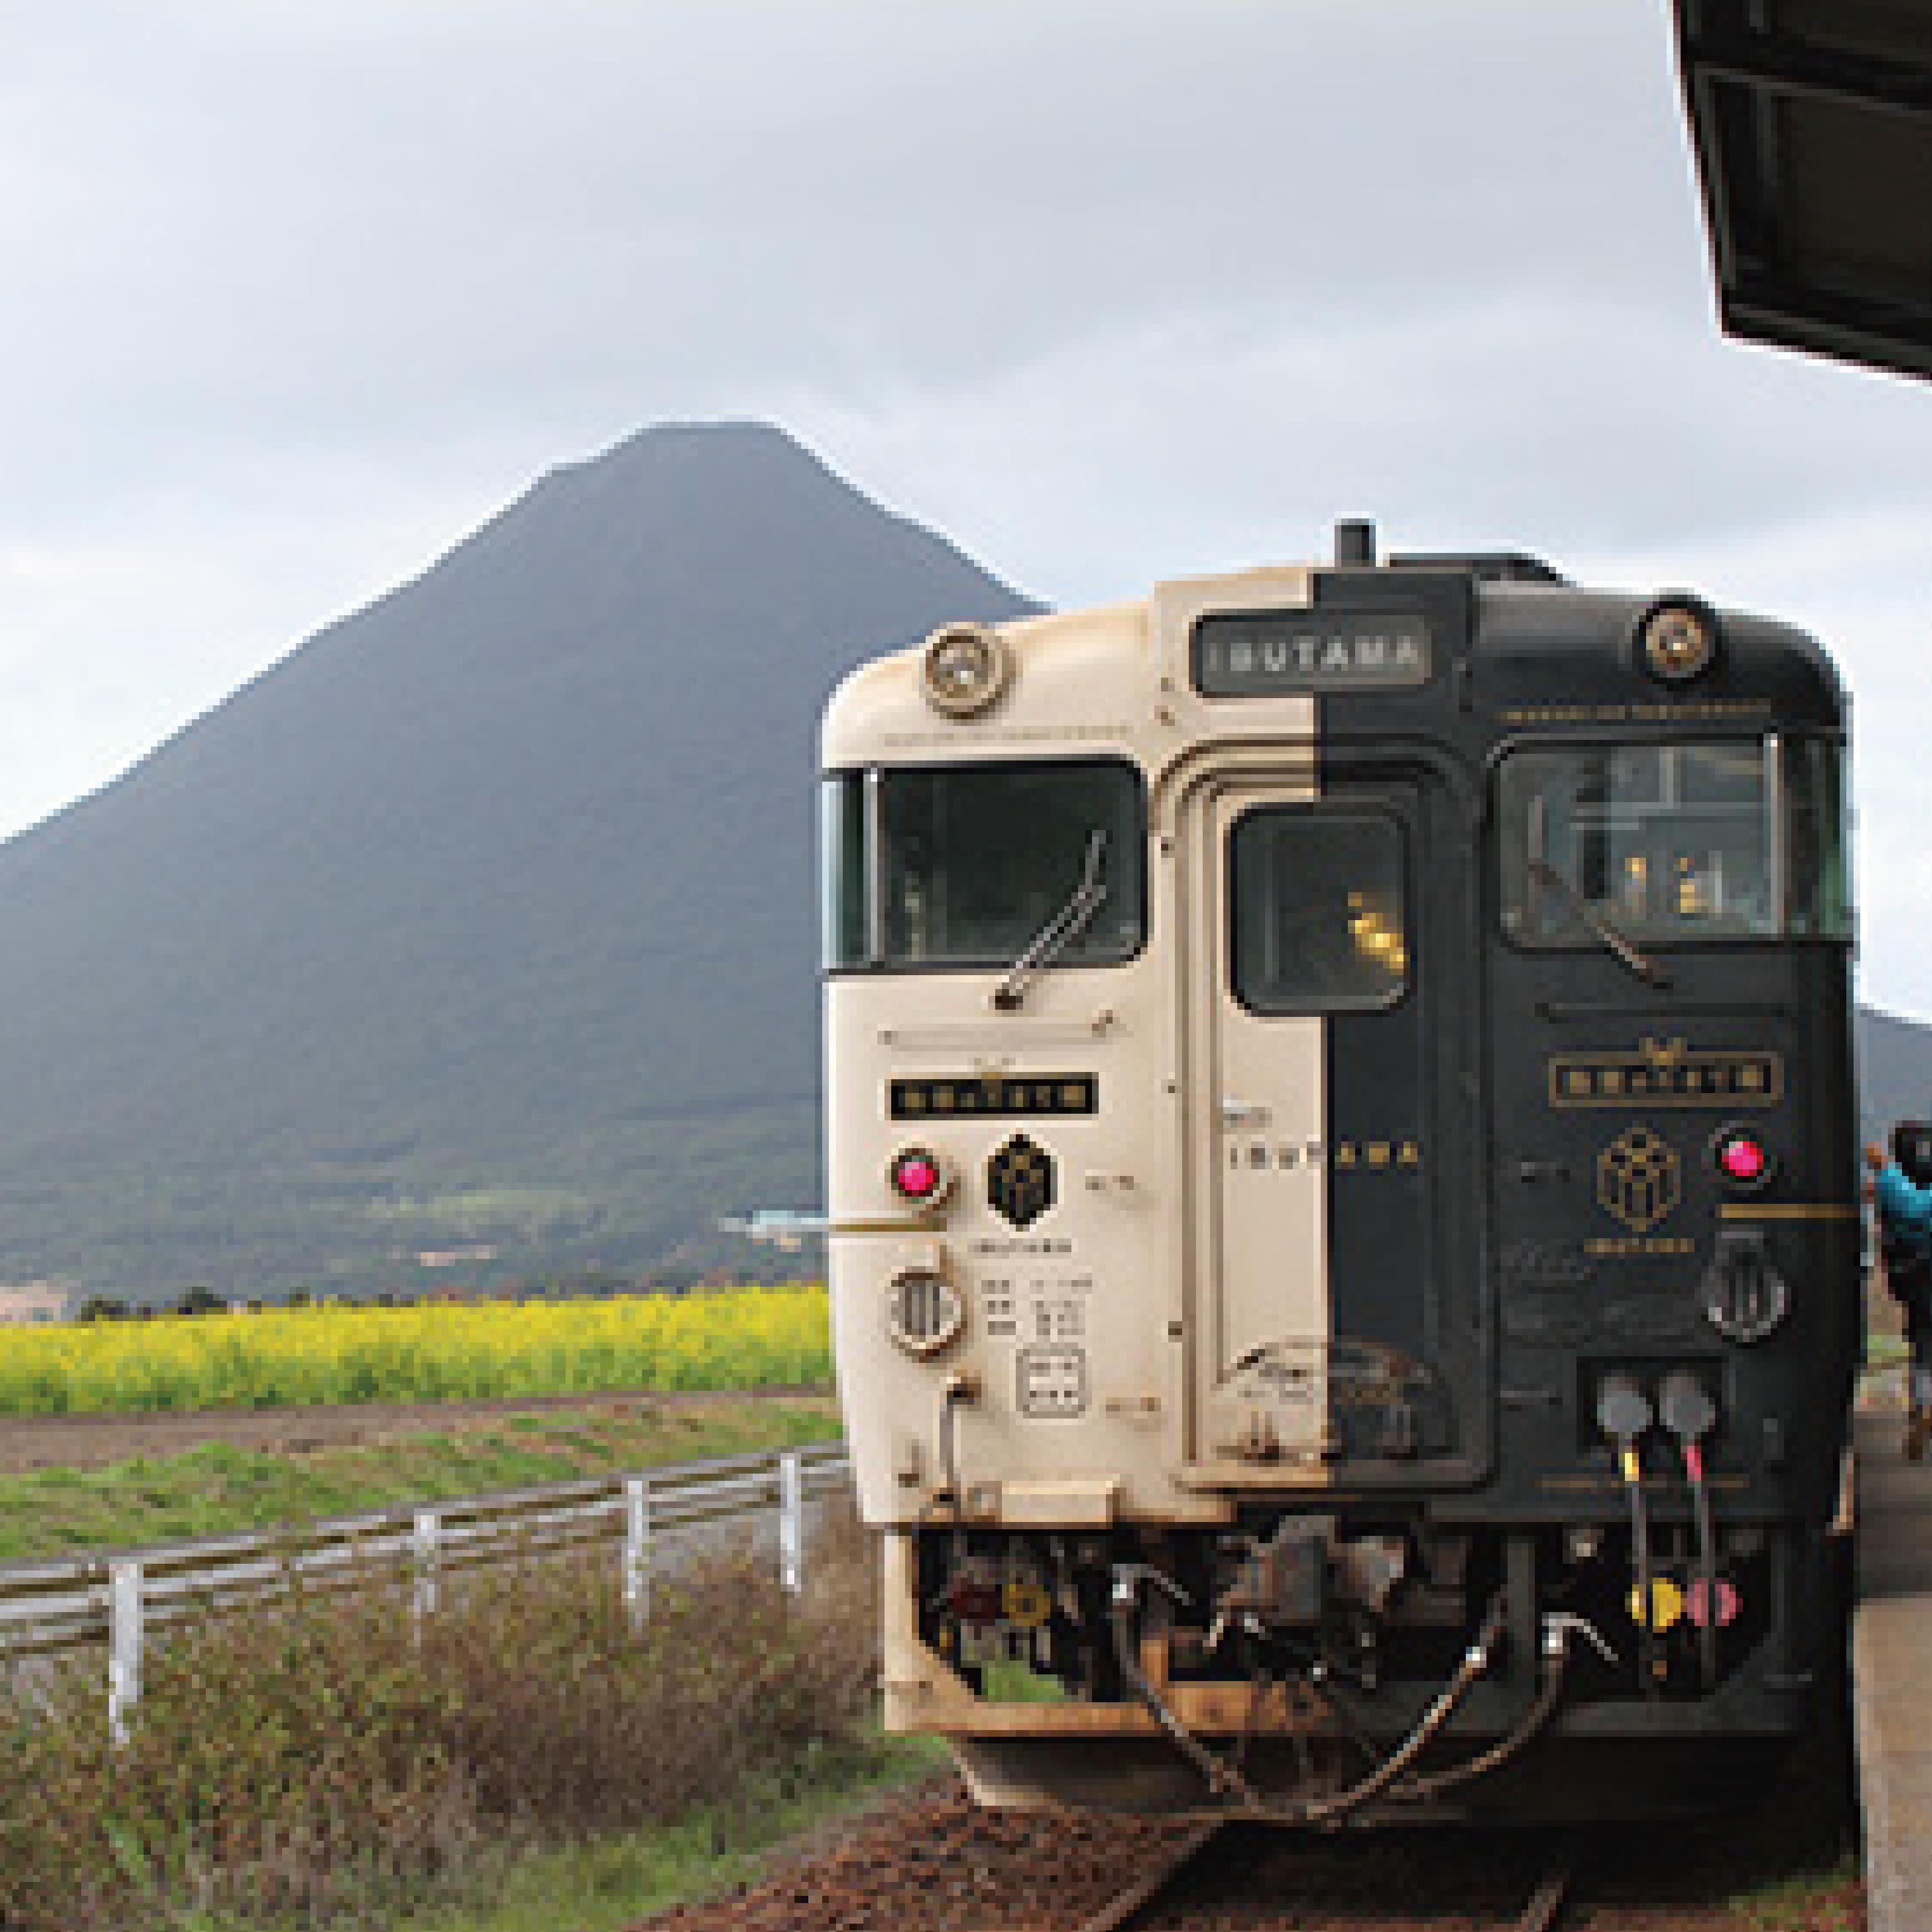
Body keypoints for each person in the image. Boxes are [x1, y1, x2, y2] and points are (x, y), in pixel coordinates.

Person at [1867, 1121, 1932, 1459]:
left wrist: (1885, 1173)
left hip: (1917, 1283)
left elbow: (1914, 1208)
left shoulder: (1904, 1193)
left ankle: (1923, 1405)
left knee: (1923, 1349)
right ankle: (1923, 1406)